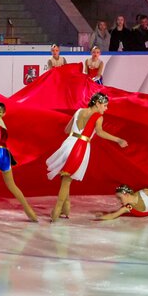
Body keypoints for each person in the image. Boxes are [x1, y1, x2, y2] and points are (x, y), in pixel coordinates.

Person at [46, 93, 127, 222]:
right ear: (97, 103)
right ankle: (57, 209)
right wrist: (118, 139)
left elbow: (67, 130)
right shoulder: (98, 117)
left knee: (65, 177)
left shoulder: (79, 111)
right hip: (80, 147)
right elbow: (100, 132)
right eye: (105, 105)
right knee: (67, 180)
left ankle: (65, 208)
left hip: (68, 144)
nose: (106, 109)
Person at [0, 101, 38, 224]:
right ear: (4, 113)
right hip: (5, 154)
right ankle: (29, 211)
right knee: (12, 185)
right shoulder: (4, 125)